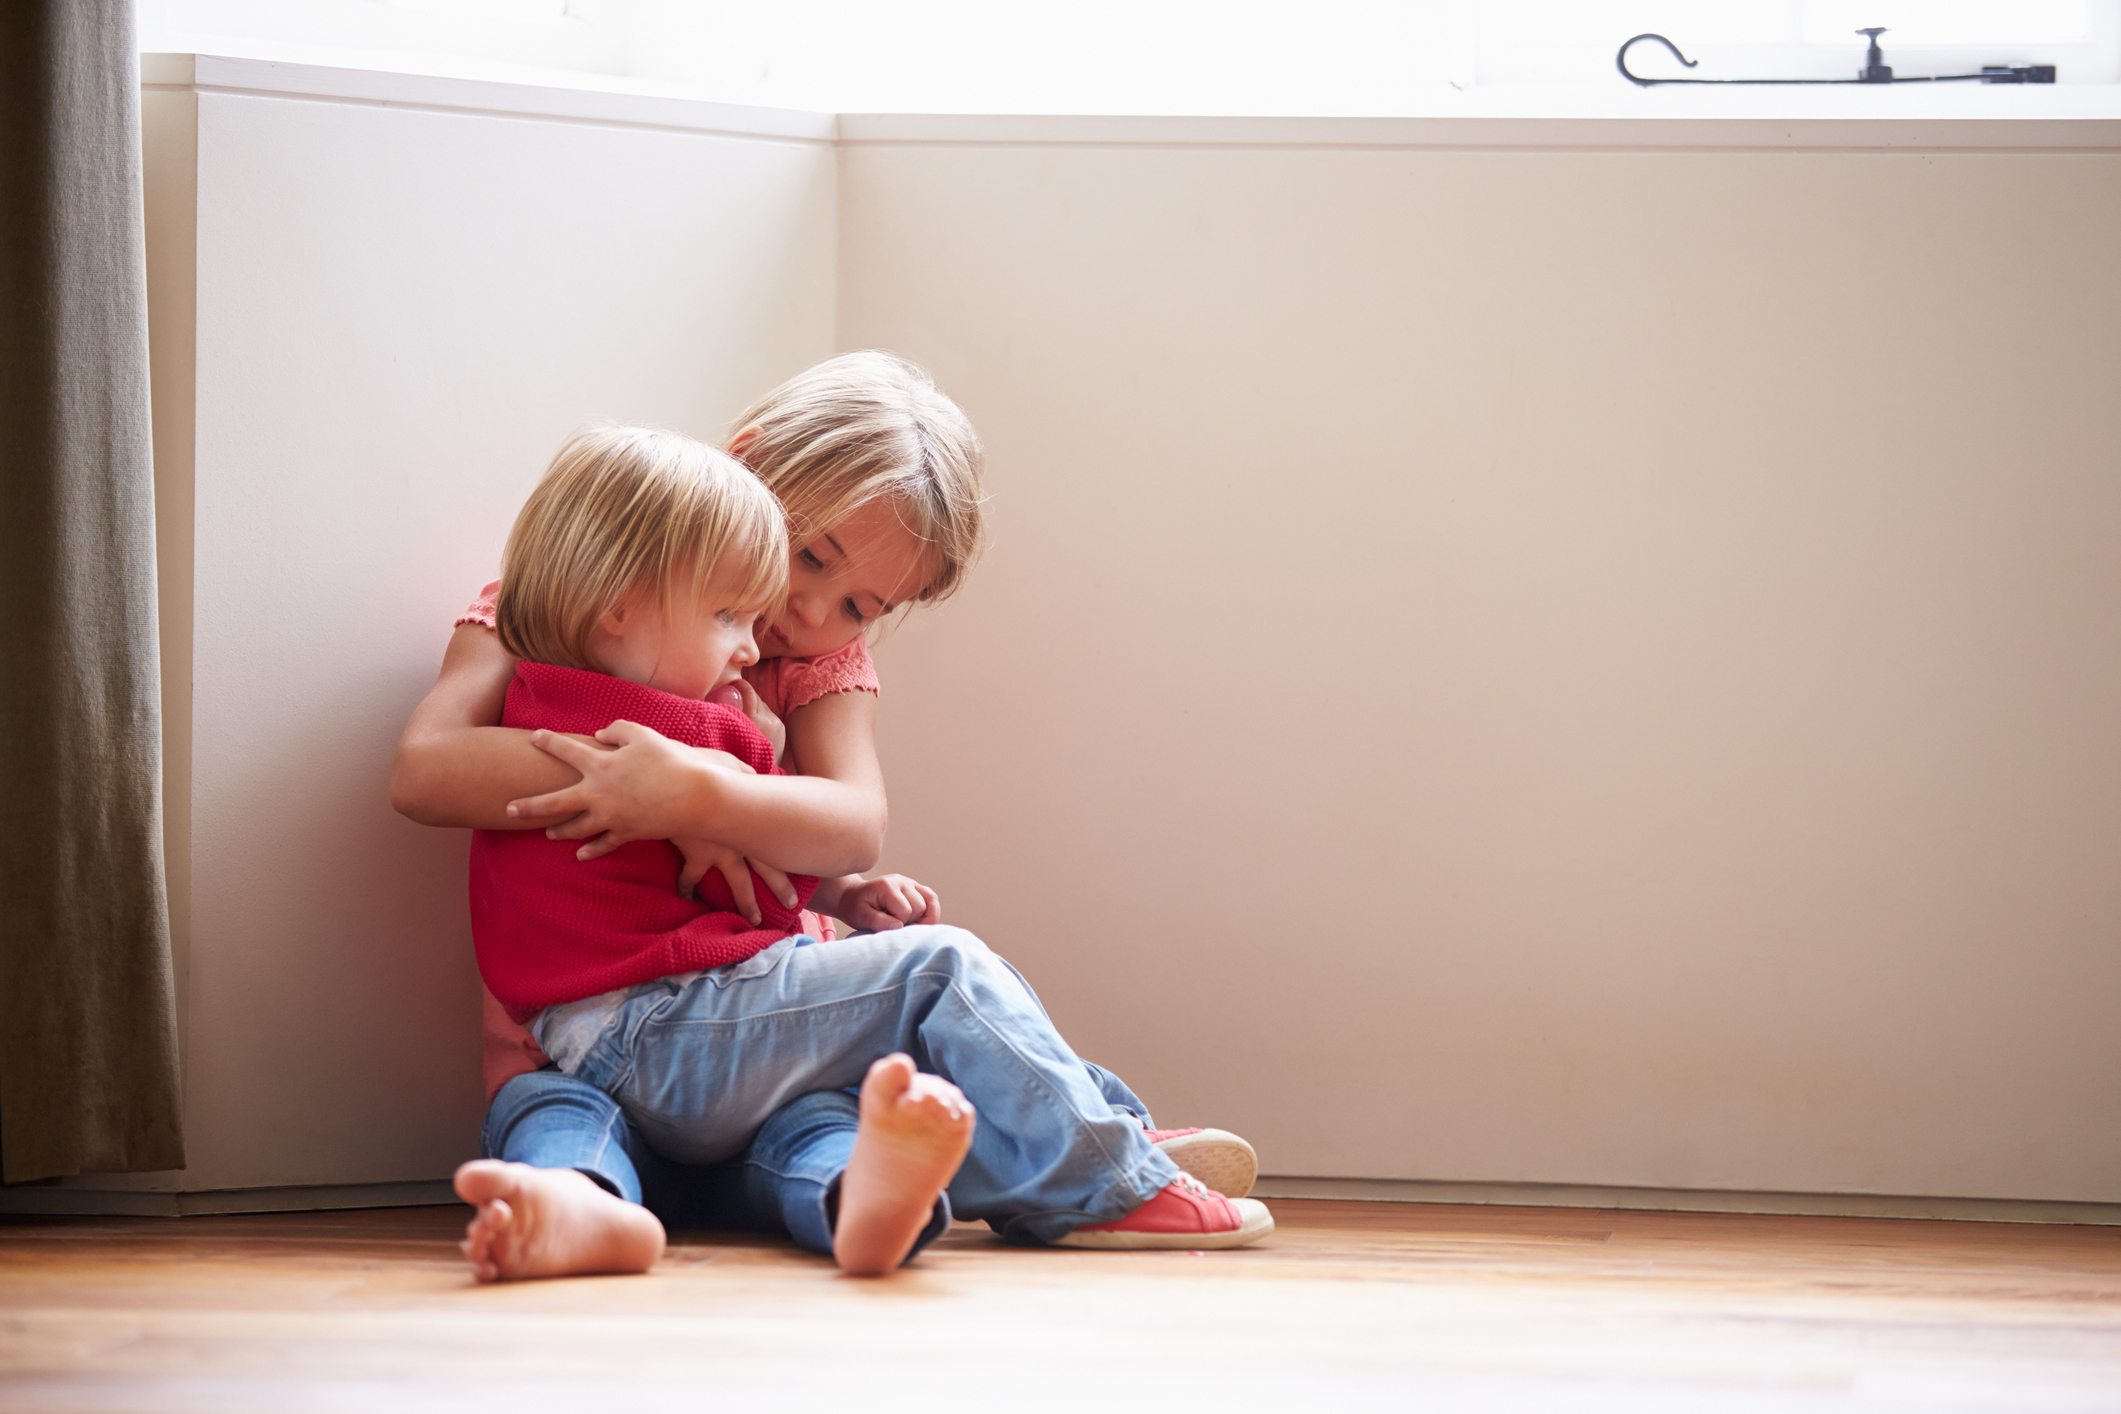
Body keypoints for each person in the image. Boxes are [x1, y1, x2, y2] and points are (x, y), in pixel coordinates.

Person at [394, 356, 1264, 1281]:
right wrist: (671, 786)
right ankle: (1092, 1162)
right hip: (581, 1057)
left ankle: (902, 1196)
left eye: (857, 605)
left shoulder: (807, 671)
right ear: (751, 465)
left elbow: (850, 822)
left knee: (833, 1137)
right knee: (558, 1127)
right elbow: (425, 772)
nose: (802, 611)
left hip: (748, 1067)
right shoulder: (559, 603)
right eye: (808, 556)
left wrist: (732, 812)